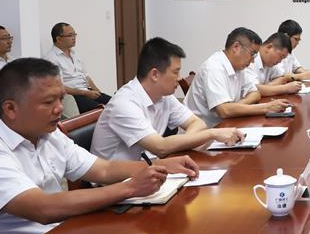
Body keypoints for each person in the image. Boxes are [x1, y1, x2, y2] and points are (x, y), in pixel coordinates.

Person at [0, 58, 199, 234]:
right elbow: (43, 208)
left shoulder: (48, 135)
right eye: (48, 102)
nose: (59, 108)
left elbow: (103, 169)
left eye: (61, 98)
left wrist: (161, 165)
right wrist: (130, 188)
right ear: (11, 108)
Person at [91, 38, 244, 162]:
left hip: (148, 169)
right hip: (116, 183)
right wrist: (212, 134)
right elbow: (160, 147)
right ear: (155, 74)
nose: (180, 78)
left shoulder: (164, 97)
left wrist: (185, 141)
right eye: (175, 72)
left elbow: (197, 123)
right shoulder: (124, 104)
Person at [184, 28, 289, 127]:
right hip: (202, 132)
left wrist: (235, 107)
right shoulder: (213, 68)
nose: (253, 61)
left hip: (226, 125)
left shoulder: (238, 67)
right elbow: (224, 111)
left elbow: (255, 93)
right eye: (252, 54)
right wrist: (266, 107)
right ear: (236, 47)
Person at [43, 22, 112, 113]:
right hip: (73, 96)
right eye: (70, 35)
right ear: (59, 39)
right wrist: (85, 93)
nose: (74, 37)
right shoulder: (51, 58)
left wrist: (99, 92)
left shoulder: (74, 53)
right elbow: (59, 87)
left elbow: (86, 76)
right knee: (101, 110)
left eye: (74, 34)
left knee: (115, 103)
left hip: (86, 91)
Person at [244, 33, 303, 97]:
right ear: (269, 47)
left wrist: (265, 87)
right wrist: (286, 88)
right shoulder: (250, 60)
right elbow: (253, 90)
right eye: (281, 56)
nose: (280, 61)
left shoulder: (270, 62)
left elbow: (282, 79)